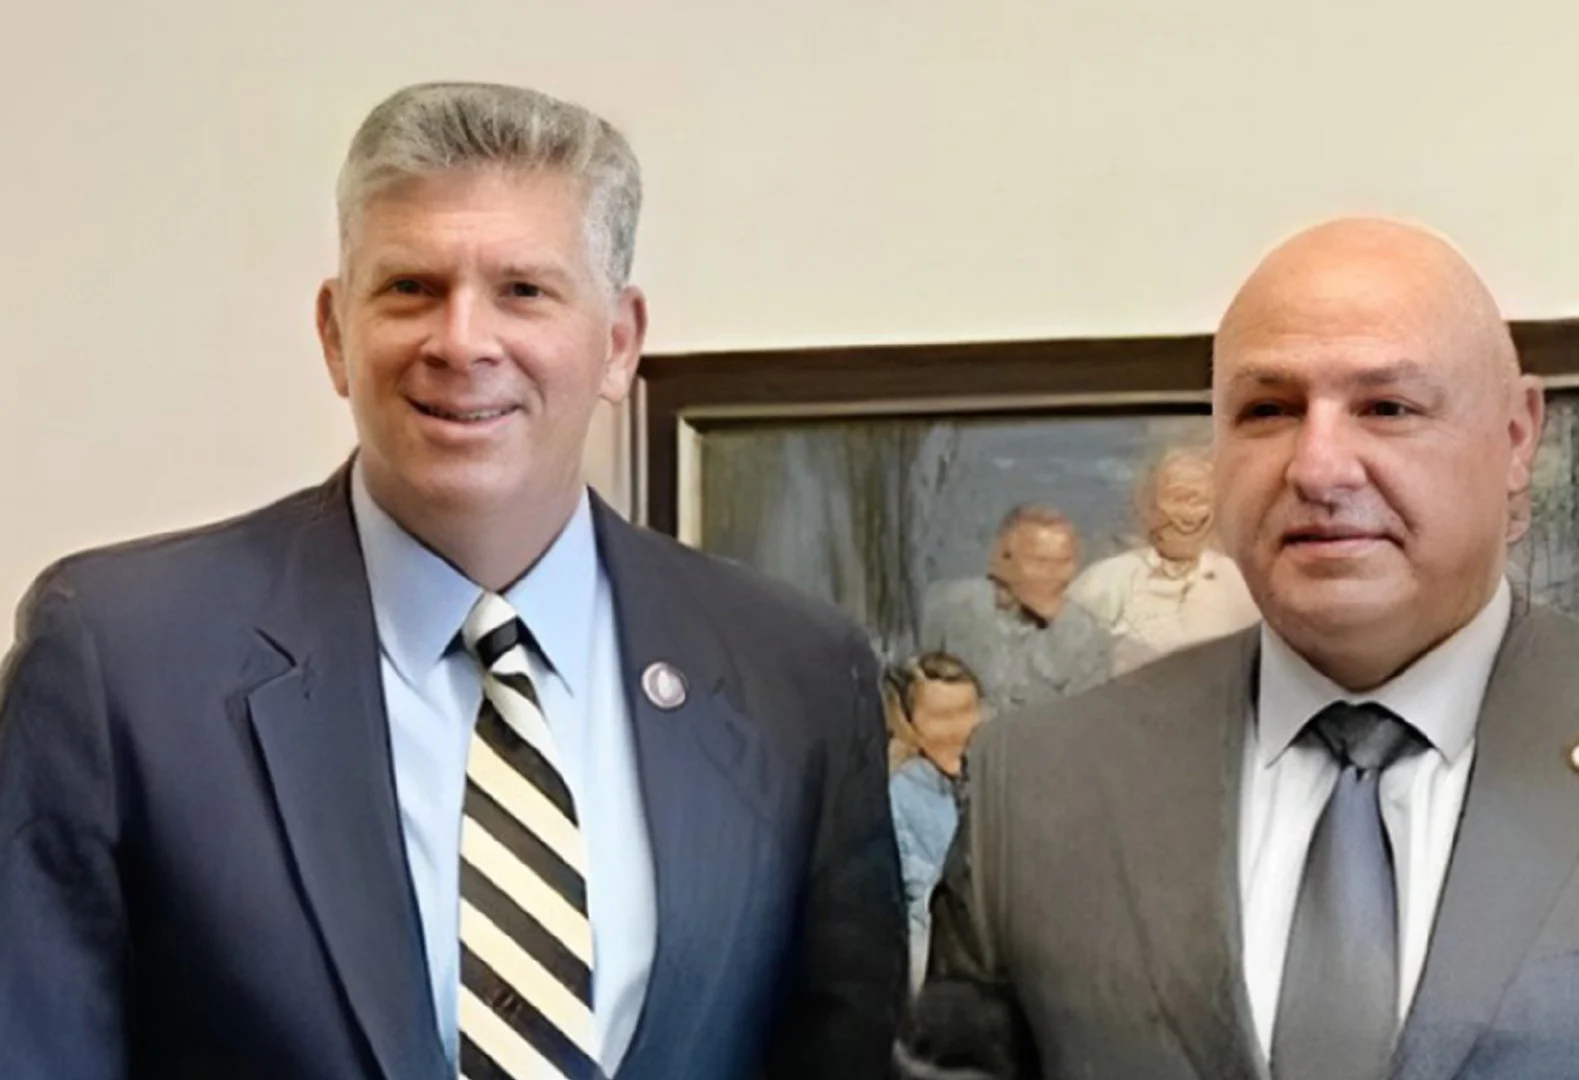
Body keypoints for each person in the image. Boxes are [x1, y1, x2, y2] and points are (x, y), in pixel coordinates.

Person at [0, 82, 904, 1080]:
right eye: (410, 288)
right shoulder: (122, 661)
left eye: (524, 290)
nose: (463, 341)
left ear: (618, 342)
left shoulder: (795, 676)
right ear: (335, 333)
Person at [898, 218, 1579, 1078]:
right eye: (1268, 409)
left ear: (1516, 439)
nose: (1318, 465)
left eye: (1387, 406)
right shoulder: (1042, 786)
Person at [1069, 446, 1261, 674]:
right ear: (1149, 505)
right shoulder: (1102, 583)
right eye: (1179, 497)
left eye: (1201, 500)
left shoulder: (1245, 585)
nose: (1189, 515)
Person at [919, 505, 1109, 717]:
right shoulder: (947, 608)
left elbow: (1085, 721)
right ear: (1003, 561)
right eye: (1040, 562)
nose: (1053, 575)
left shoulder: (1087, 637)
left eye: (1064, 562)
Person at [886, 652, 986, 994]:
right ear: (909, 722)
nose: (959, 729)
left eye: (967, 710)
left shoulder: (996, 780)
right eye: (941, 716)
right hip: (937, 973)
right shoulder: (900, 794)